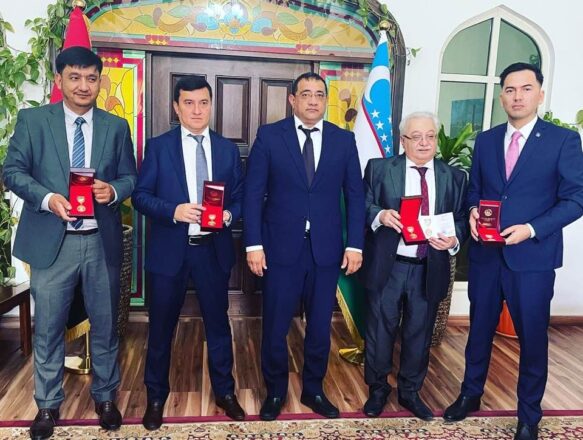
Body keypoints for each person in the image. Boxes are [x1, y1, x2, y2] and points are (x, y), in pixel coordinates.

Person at [3, 46, 137, 440]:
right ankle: (47, 404)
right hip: (52, 243)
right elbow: (12, 171)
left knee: (106, 326)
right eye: (74, 77)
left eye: (91, 78)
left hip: (100, 242)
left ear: (100, 82)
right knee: (47, 328)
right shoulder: (33, 121)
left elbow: (130, 177)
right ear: (59, 79)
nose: (83, 86)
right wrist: (47, 198)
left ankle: (106, 398)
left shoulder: (116, 126)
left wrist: (113, 191)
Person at [444, 63, 583, 440]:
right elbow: (476, 190)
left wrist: (532, 229)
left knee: (533, 338)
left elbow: (576, 199)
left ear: (540, 94)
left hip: (533, 259)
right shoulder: (487, 140)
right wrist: (472, 212)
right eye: (509, 89)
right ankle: (470, 394)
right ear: (501, 96)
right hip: (487, 257)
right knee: (479, 331)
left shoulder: (563, 140)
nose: (517, 96)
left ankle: (529, 415)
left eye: (525, 88)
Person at [244, 72, 365, 421]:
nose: (313, 100)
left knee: (319, 327)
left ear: (325, 100)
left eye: (319, 94)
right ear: (292, 100)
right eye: (306, 94)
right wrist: (253, 244)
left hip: (326, 251)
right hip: (280, 249)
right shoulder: (270, 136)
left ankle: (314, 388)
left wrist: (355, 245)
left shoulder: (344, 141)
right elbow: (253, 194)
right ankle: (275, 391)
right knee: (276, 325)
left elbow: (355, 197)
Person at [132, 76, 244, 429]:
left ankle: (225, 392)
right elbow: (140, 196)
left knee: (218, 325)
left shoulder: (227, 150)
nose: (197, 110)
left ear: (211, 105)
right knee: (161, 327)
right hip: (170, 251)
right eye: (189, 103)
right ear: (176, 107)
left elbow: (241, 198)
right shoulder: (159, 147)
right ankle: (155, 396)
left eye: (203, 103)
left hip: (212, 251)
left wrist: (228, 215)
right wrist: (174, 211)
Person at [360, 112, 468, 420]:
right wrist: (380, 215)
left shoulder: (454, 177)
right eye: (416, 136)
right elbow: (362, 204)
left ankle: (410, 391)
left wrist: (454, 239)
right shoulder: (380, 169)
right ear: (403, 140)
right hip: (389, 265)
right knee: (380, 331)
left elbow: (461, 219)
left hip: (428, 265)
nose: (424, 143)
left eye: (430, 136)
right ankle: (378, 388)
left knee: (419, 333)